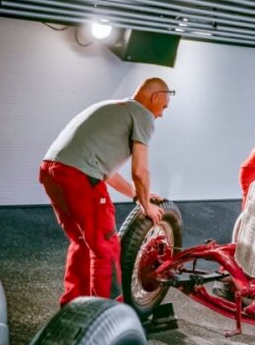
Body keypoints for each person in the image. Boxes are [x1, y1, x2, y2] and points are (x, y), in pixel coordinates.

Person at [39, 77, 171, 307]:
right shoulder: (142, 115)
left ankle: (74, 304)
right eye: (164, 107)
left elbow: (104, 170)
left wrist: (137, 194)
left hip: (52, 170)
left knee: (82, 241)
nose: (161, 114)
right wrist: (146, 206)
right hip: (78, 175)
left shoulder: (113, 108)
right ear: (155, 97)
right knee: (105, 245)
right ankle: (106, 313)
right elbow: (140, 170)